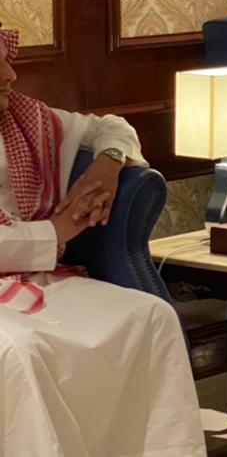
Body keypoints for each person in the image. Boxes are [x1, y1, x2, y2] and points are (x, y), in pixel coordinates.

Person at [0, 24, 206, 457]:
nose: (10, 75)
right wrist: (56, 231)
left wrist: (108, 164)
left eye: (6, 61)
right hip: (20, 276)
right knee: (19, 351)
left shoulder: (22, 118)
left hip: (37, 275)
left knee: (151, 315)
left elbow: (112, 127)